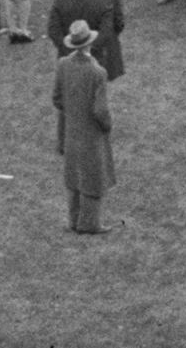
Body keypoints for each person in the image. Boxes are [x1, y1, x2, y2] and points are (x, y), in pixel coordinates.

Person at [54, 20, 116, 231]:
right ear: (89, 42)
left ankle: (74, 221)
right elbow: (100, 111)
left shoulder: (63, 64)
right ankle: (90, 224)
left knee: (73, 175)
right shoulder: (97, 73)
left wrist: (72, 112)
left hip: (71, 130)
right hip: (91, 132)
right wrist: (107, 125)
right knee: (93, 177)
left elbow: (57, 98)